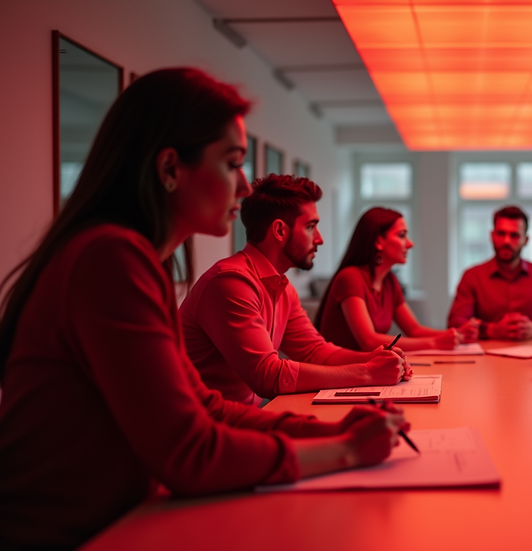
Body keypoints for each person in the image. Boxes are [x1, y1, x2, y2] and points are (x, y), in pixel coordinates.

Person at [0, 68, 407, 550]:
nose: (243, 187)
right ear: (171, 169)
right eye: (232, 163)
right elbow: (189, 453)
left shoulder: (133, 258)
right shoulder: (111, 258)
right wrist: (343, 451)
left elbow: (207, 407)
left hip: (123, 520)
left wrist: (329, 431)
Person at [179, 174, 409, 406]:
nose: (319, 240)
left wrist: (374, 359)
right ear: (279, 231)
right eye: (311, 227)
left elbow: (316, 351)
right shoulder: (230, 282)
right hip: (198, 427)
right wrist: (367, 373)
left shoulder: (282, 287)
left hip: (243, 417)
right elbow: (266, 376)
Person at [315, 207, 462, 351]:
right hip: (340, 371)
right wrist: (434, 343)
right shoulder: (350, 277)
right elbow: (369, 341)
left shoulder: (389, 281)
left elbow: (414, 329)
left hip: (366, 369)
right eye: (402, 235)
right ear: (378, 242)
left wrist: (456, 335)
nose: (410, 244)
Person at [447, 205, 532, 341]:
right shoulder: (472, 276)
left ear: (526, 240)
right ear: (492, 236)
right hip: (483, 358)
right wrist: (490, 330)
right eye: (501, 234)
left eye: (514, 235)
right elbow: (456, 322)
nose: (506, 241)